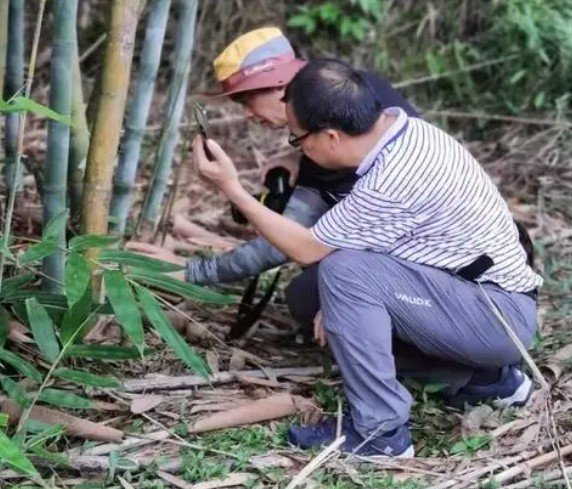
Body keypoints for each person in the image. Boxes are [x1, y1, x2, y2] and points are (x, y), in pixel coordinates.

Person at [190, 58, 542, 458]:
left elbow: (306, 247)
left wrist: (232, 190)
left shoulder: (394, 176)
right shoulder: (402, 130)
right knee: (309, 295)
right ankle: (484, 380)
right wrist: (343, 305)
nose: (298, 150)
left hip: (496, 315)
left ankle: (381, 433)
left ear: (332, 136)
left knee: (343, 273)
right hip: (467, 296)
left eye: (297, 140)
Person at [127, 27, 419, 335]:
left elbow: (284, 247)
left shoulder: (357, 122)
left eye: (247, 99)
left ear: (279, 84)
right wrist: (299, 155)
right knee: (310, 291)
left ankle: (435, 368)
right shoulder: (354, 94)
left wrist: (190, 271)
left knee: (307, 297)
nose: (247, 115)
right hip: (407, 252)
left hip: (428, 265)